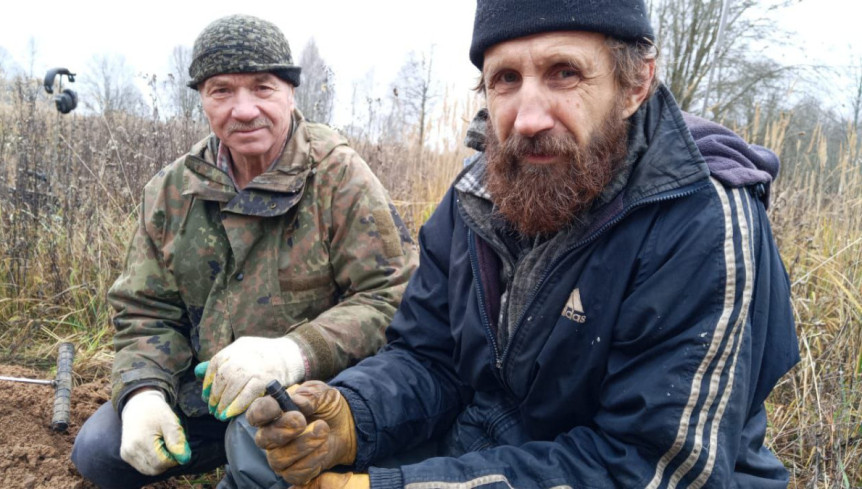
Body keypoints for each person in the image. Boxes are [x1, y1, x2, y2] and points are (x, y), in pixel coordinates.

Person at [238, 0, 801, 488]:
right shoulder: (474, 197)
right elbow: (427, 356)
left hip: (624, 471)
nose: (528, 119)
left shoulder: (699, 218)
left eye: (564, 73)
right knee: (257, 450)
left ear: (635, 85)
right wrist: (352, 416)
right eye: (506, 78)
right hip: (487, 442)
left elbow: (652, 466)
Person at [70, 14, 417, 489]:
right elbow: (145, 311)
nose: (245, 109)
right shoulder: (172, 190)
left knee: (259, 446)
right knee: (100, 452)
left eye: (262, 87)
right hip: (207, 394)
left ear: (290, 92)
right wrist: (143, 392)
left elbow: (390, 297)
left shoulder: (339, 177)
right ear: (202, 99)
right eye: (222, 91)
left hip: (309, 393)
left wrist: (293, 354)